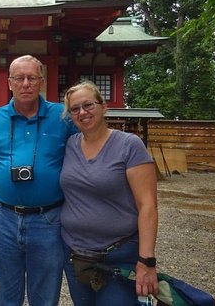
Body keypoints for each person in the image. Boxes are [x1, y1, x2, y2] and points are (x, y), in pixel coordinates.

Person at [0, 55, 78, 305]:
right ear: (9, 82)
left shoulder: (62, 117)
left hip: (49, 220)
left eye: (32, 78)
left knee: (45, 296)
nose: (26, 84)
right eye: (19, 78)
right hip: (3, 220)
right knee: (5, 296)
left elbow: (87, 154)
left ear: (41, 81)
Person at [60, 81, 158, 305]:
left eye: (88, 105)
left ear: (104, 107)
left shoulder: (129, 145)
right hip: (76, 254)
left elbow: (148, 205)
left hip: (118, 254)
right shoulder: (70, 145)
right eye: (75, 109)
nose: (82, 113)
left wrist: (146, 261)